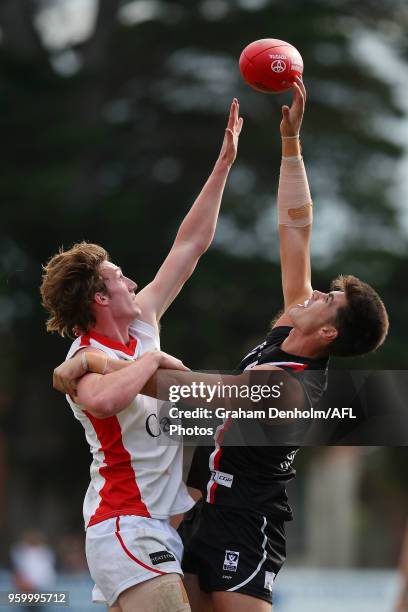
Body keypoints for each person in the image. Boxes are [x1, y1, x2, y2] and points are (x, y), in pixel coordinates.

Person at [53, 80, 389, 612]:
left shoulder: (292, 388)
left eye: (329, 297)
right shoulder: (291, 324)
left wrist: (106, 361)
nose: (315, 291)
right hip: (188, 514)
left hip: (246, 518)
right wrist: (291, 145)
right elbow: (294, 232)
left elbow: (189, 393)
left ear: (329, 333)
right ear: (99, 297)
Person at [40, 99, 243, 612]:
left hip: (158, 526)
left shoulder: (142, 323)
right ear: (99, 298)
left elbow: (190, 244)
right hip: (123, 523)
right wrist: (152, 363)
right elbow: (106, 403)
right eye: (119, 277)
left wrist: (223, 166)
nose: (133, 282)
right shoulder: (82, 356)